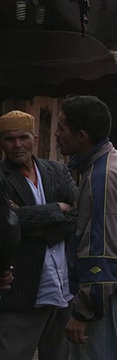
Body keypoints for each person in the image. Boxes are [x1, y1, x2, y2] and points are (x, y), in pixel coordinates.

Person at [55, 95, 117, 360]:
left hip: (106, 297)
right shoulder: (116, 164)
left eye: (61, 128)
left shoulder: (104, 176)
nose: (56, 135)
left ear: (81, 135)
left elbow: (101, 248)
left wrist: (83, 311)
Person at [0, 110, 77, 360]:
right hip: (22, 291)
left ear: (34, 138)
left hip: (62, 288)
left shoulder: (57, 170)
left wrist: (31, 222)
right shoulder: (2, 177)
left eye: (23, 137)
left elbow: (77, 215)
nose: (17, 145)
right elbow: (7, 223)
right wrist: (57, 209)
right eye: (9, 139)